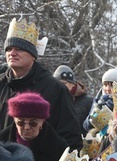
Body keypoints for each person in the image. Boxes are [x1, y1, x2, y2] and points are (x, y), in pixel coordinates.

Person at [0, 18, 81, 149]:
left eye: (19, 49)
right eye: (9, 49)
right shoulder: (1, 84)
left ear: (33, 55)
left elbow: (71, 140)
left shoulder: (55, 89)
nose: (12, 53)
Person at [0, 91, 67, 161]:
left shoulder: (58, 147)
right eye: (21, 122)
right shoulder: (2, 140)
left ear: (42, 122)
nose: (26, 127)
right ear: (14, 120)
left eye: (33, 123)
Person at [53, 65, 93, 133]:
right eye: (57, 83)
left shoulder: (88, 102)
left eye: (64, 83)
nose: (60, 86)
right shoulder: (51, 100)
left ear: (73, 84)